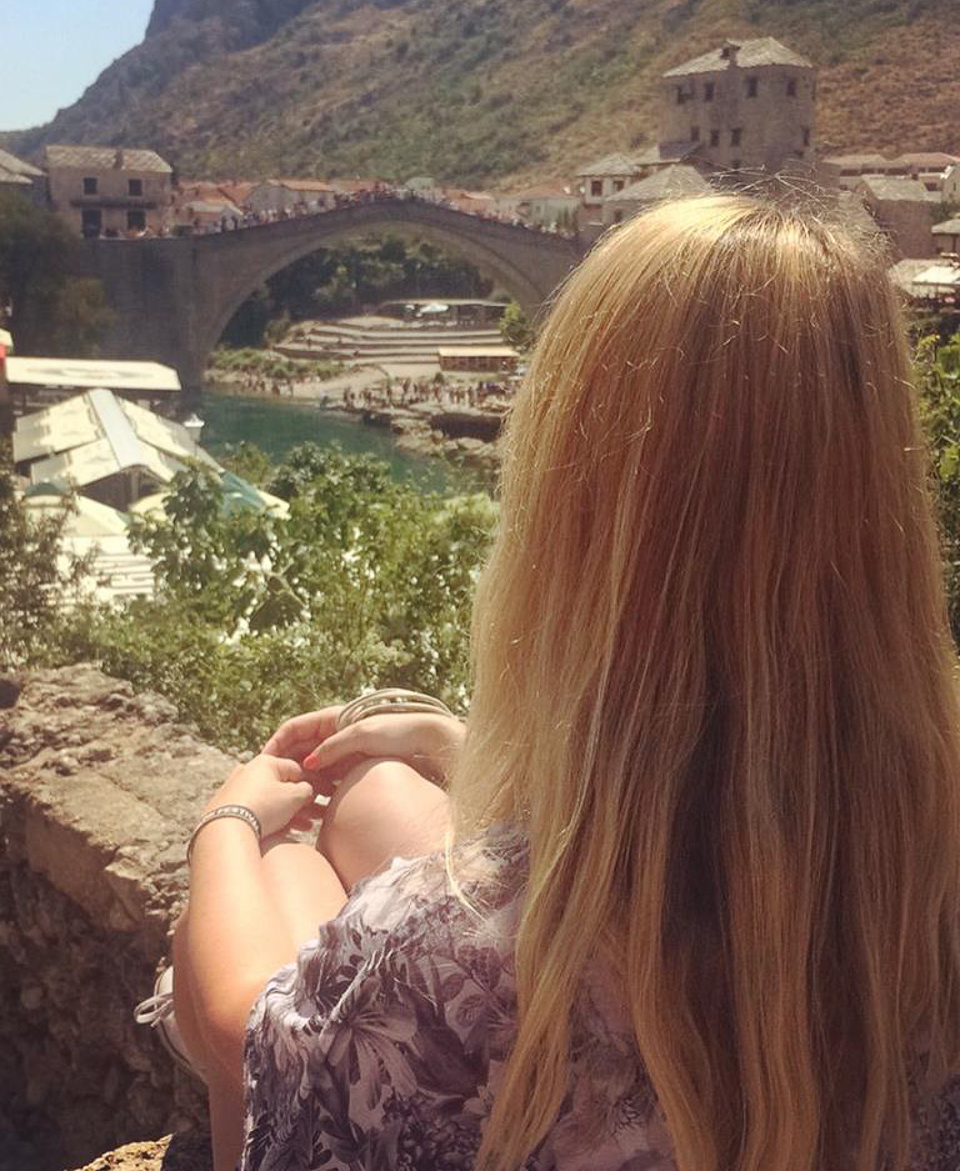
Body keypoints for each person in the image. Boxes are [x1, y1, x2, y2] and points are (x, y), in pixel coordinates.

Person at [162, 196, 960, 1171]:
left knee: (287, 867)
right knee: (373, 791)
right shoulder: (921, 875)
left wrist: (229, 826)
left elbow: (251, 1047)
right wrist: (460, 753)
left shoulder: (438, 973)